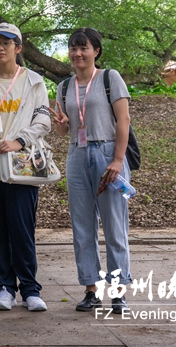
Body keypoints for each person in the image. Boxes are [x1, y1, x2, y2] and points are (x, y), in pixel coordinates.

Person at [50, 28, 133, 315]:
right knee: (82, 226)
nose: (77, 53)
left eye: (83, 48)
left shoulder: (110, 79)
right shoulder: (64, 86)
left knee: (114, 225)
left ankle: (119, 292)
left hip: (108, 153)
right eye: (73, 48)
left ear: (96, 50)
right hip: (77, 154)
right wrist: (61, 122)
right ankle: (91, 290)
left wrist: (118, 160)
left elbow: (123, 120)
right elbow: (63, 131)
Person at [0, 23, 51, 312]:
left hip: (22, 168)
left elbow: (43, 121)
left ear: (18, 48)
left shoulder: (34, 81)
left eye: (7, 43)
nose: (0, 48)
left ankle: (30, 289)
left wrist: (19, 140)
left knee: (22, 230)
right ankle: (4, 288)